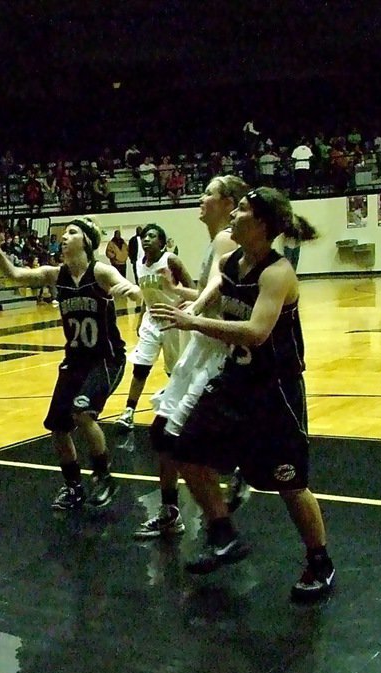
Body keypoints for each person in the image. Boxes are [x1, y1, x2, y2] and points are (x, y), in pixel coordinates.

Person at [150, 187, 335, 603]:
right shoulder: (232, 259)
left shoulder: (277, 272)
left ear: (262, 224)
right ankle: (222, 532)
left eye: (243, 210)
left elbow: (256, 332)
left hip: (275, 391)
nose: (234, 214)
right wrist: (194, 307)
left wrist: (191, 323)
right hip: (236, 380)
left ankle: (319, 560)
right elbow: (216, 288)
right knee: (182, 447)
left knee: (290, 483)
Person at [0, 214, 142, 510]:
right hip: (74, 361)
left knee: (83, 413)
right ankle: (73, 486)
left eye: (70, 232)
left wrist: (133, 291)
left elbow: (129, 287)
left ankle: (103, 477)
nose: (63, 237)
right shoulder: (55, 274)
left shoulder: (101, 272)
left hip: (106, 359)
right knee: (58, 428)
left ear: (85, 240)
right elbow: (15, 275)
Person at [140, 176, 252, 538]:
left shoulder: (225, 238)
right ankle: (174, 508)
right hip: (201, 345)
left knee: (179, 437)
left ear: (228, 202)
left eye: (208, 193)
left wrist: (194, 312)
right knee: (163, 432)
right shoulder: (216, 241)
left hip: (214, 350)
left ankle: (235, 475)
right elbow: (210, 289)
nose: (200, 198)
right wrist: (179, 292)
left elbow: (218, 288)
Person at [115, 223, 193, 431]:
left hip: (173, 320)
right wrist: (141, 317)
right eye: (144, 236)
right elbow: (147, 293)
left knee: (174, 370)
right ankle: (128, 412)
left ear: (161, 241)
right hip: (152, 319)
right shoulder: (139, 263)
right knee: (141, 366)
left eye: (152, 236)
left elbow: (193, 289)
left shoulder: (171, 260)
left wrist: (183, 307)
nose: (146, 239)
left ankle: (178, 411)